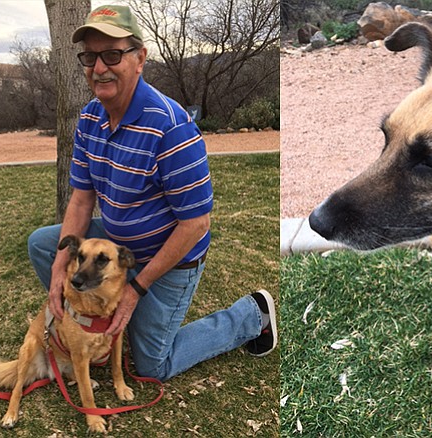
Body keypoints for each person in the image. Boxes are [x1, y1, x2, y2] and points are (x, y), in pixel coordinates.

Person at [27, 5, 277, 381]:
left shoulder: (170, 127)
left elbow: (195, 224)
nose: (99, 68)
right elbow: (81, 199)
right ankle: (97, 318)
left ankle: (251, 315)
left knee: (152, 367)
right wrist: (61, 272)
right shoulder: (89, 119)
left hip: (171, 258)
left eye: (112, 54)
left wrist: (135, 289)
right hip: (115, 246)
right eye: (90, 56)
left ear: (140, 58)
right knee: (45, 246)